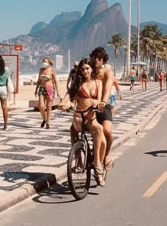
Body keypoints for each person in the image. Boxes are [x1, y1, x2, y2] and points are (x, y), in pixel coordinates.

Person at [68, 58, 106, 186]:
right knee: (73, 130)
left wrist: (99, 103)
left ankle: (97, 163)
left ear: (91, 69)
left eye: (87, 69)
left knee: (101, 135)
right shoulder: (77, 84)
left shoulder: (98, 83)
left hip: (92, 115)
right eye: (83, 69)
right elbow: (71, 99)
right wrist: (66, 104)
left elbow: (99, 99)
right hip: (79, 116)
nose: (85, 71)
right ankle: (78, 160)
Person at [89, 47, 114, 171]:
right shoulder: (89, 70)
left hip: (103, 105)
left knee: (107, 131)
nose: (97, 60)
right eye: (95, 57)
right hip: (89, 105)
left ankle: (107, 155)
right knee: (75, 129)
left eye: (99, 58)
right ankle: (77, 158)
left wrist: (103, 101)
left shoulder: (107, 72)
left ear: (103, 59)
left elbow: (108, 87)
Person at [35, 57, 61, 129]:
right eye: (43, 61)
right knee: (41, 105)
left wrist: (58, 91)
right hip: (42, 88)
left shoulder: (52, 70)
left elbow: (55, 81)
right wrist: (36, 89)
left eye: (46, 61)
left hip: (50, 88)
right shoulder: (41, 70)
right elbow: (38, 81)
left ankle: (48, 123)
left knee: (49, 107)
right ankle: (44, 119)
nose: (44, 62)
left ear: (49, 63)